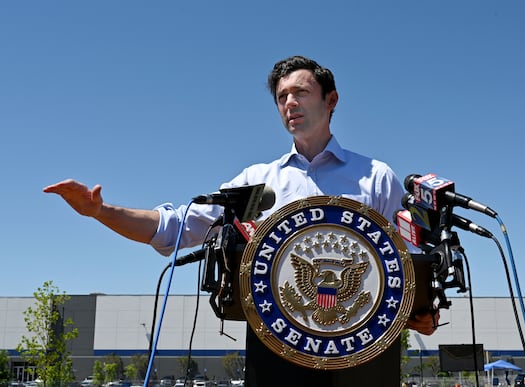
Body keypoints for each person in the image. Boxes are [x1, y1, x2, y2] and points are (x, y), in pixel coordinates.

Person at [44, 55, 439, 387]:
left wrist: (423, 309)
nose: (290, 103)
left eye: (301, 92)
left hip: (363, 353)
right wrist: (102, 211)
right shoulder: (258, 184)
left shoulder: (374, 177)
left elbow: (409, 258)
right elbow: (179, 227)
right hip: (278, 354)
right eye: (282, 96)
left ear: (331, 99)